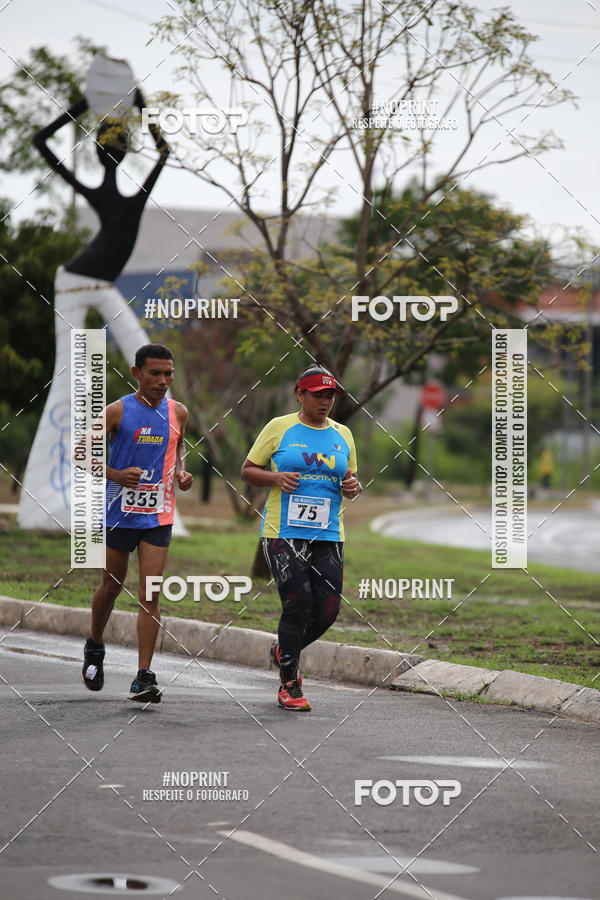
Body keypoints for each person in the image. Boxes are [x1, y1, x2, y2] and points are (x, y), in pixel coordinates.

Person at [241, 365, 362, 711]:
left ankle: (285, 649)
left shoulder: (343, 434)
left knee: (328, 610)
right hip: (284, 532)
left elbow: (351, 480)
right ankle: (289, 686)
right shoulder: (279, 428)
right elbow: (248, 470)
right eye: (317, 395)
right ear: (300, 394)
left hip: (328, 533)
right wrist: (275, 478)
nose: (325, 402)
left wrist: (353, 487)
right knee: (298, 603)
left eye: (330, 396)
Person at [80, 344, 193, 702]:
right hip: (119, 514)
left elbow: (179, 446)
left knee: (150, 594)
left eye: (168, 374)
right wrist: (114, 474)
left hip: (158, 515)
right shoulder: (118, 411)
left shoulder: (178, 412)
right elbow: (81, 453)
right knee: (111, 586)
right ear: (136, 373)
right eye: (155, 373)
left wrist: (182, 472)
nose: (163, 381)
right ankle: (94, 644)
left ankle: (144, 676)